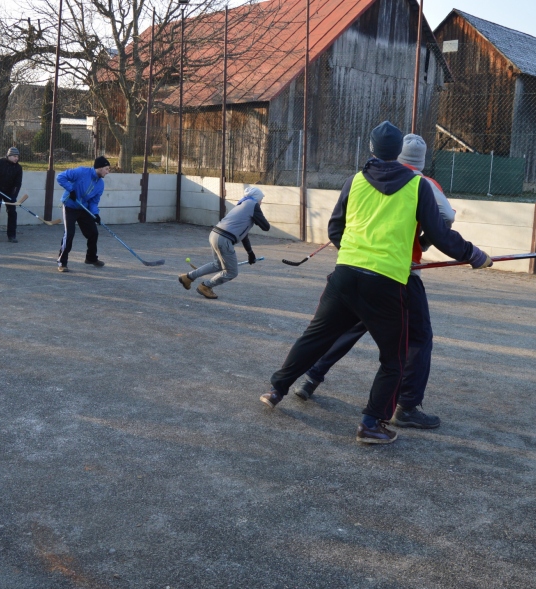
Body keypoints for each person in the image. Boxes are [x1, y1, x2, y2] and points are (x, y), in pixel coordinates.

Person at [259, 121, 492, 445]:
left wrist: (354, 253)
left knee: (315, 336)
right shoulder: (418, 185)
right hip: (385, 283)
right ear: (399, 153)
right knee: (394, 357)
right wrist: (474, 254)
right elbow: (440, 234)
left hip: (344, 276)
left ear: (370, 148)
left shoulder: (354, 181)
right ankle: (370, 424)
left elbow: (335, 228)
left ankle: (276, 389)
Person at [291, 133, 456, 430]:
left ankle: (311, 377)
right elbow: (446, 215)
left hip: (359, 270)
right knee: (417, 338)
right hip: (399, 273)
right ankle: (405, 406)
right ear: (422, 160)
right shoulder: (424, 184)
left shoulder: (367, 177)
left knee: (348, 326)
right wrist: (424, 242)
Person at [178, 186, 270, 299]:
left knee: (217, 265)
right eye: (261, 199)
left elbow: (244, 235)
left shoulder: (242, 205)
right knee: (232, 272)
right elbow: (266, 227)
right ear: (257, 198)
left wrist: (250, 252)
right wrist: (257, 218)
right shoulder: (252, 205)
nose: (261, 202)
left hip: (215, 234)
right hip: (224, 239)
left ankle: (187, 277)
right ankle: (206, 286)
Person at [56, 156, 110, 273]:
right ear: (99, 168)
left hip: (83, 208)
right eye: (106, 169)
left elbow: (94, 202)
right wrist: (71, 190)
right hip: (69, 206)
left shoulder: (100, 184)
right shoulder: (81, 172)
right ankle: (62, 262)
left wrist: (95, 214)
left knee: (93, 233)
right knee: (69, 233)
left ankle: (90, 258)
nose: (108, 171)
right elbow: (60, 177)